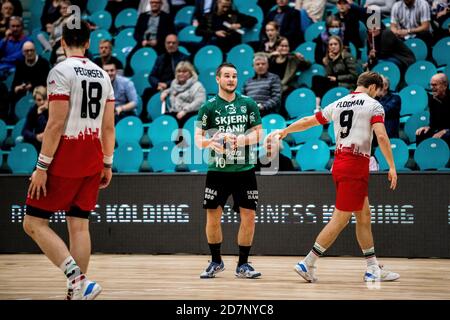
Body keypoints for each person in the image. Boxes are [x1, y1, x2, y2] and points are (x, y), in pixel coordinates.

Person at [267, 71, 400, 282]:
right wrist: (392, 166)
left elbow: (310, 120)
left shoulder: (339, 103)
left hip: (339, 162)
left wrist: (286, 130)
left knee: (363, 216)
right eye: (378, 90)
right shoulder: (374, 105)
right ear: (373, 87)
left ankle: (373, 268)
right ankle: (307, 262)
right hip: (355, 164)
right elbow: (382, 136)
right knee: (340, 218)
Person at [22, 20, 115, 300]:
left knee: (33, 223)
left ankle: (78, 280)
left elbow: (54, 124)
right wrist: (108, 163)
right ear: (88, 43)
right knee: (79, 225)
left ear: (62, 43)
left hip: (66, 155)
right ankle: (77, 291)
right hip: (93, 155)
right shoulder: (103, 74)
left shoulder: (59, 71)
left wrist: (41, 167)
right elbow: (108, 128)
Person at [195, 62, 263, 279]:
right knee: (213, 217)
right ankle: (216, 261)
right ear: (218, 79)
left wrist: (243, 139)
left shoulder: (248, 103)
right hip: (218, 171)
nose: (231, 79)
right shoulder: (208, 107)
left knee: (249, 217)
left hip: (245, 169)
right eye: (227, 76)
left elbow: (258, 134)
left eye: (234, 76)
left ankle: (243, 265)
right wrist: (210, 143)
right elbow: (197, 139)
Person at [160, 60, 205, 127]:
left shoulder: (197, 85)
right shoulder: (174, 83)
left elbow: (200, 102)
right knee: (164, 121)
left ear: (191, 73)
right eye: (179, 71)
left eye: (184, 71)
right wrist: (165, 92)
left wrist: (185, 111)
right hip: (175, 111)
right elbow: (171, 90)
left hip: (191, 113)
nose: (181, 74)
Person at [415, 73, 450, 146]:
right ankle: (422, 156)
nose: (431, 87)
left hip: (448, 130)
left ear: (445, 86)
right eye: (430, 85)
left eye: (435, 85)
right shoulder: (433, 100)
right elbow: (433, 122)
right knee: (421, 133)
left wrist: (445, 131)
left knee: (446, 136)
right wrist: (428, 127)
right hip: (440, 129)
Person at [242, 53, 282, 117]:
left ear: (267, 65)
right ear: (253, 66)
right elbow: (243, 99)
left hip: (267, 114)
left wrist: (263, 106)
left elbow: (276, 98)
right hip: (250, 114)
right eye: (257, 64)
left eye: (263, 64)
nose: (260, 66)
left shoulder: (274, 78)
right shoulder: (247, 82)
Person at [22, 86, 49, 151]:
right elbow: (25, 131)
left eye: (44, 99)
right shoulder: (33, 110)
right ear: (35, 100)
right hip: (39, 140)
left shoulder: (53, 109)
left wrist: (40, 115)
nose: (42, 102)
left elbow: (45, 128)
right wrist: (36, 136)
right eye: (39, 100)